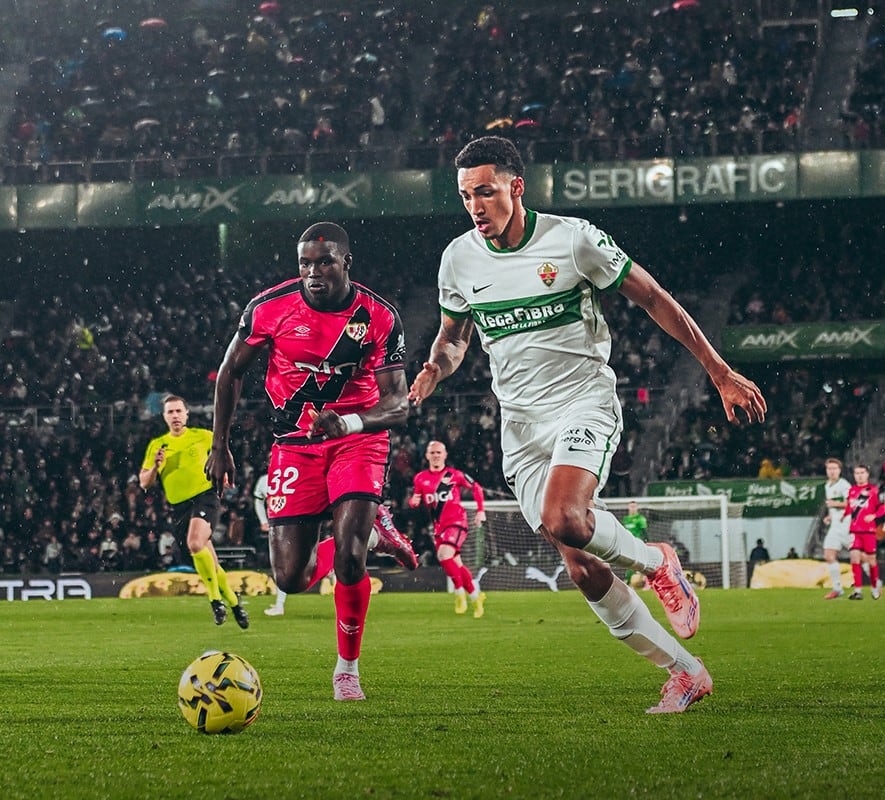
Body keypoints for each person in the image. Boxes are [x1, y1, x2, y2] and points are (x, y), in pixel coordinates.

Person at [408, 135, 767, 714]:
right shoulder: (459, 258)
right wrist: (433, 369)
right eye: (466, 196)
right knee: (580, 566)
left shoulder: (573, 240)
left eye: (486, 192)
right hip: (519, 427)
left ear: (516, 187)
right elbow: (453, 339)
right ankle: (685, 671)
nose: (475, 206)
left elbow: (654, 298)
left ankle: (657, 562)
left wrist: (719, 372)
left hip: (582, 402)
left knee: (566, 519)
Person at [205, 221, 418, 701]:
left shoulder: (379, 316)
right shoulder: (269, 307)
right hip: (294, 445)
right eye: (305, 263)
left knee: (349, 558)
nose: (313, 272)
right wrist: (220, 445)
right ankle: (377, 534)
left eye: (324, 262)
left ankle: (347, 670)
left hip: (357, 442)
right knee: (291, 578)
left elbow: (398, 404)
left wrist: (352, 422)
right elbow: (230, 371)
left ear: (346, 262)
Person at [140, 394, 250, 628]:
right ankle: (234, 602)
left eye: (179, 411)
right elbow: (144, 482)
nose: (175, 416)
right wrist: (156, 467)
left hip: (205, 497)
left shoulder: (203, 436)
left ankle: (215, 600)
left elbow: (223, 457)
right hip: (179, 507)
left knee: (195, 543)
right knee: (209, 559)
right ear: (164, 417)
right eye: (170, 412)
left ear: (186, 414)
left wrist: (225, 475)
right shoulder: (157, 445)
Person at [409, 439, 487, 617]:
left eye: (439, 452)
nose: (436, 456)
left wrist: (481, 511)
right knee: (456, 563)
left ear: (445, 455)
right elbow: (415, 499)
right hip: (439, 527)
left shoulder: (455, 475)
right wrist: (413, 502)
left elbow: (477, 488)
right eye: (433, 453)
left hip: (457, 522)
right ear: (427, 455)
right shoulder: (420, 478)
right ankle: (476, 598)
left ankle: (459, 593)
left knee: (443, 555)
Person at [842, 464, 884, 600]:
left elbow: (882, 507)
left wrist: (874, 515)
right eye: (857, 473)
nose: (859, 475)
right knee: (854, 558)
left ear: (867, 474)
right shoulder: (852, 491)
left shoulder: (874, 490)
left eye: (862, 473)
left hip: (869, 531)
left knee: (871, 560)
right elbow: (849, 508)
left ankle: (875, 587)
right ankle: (858, 591)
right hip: (854, 531)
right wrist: (841, 516)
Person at [821, 457, 852, 599]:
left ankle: (876, 583)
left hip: (846, 526)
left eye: (834, 468)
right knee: (828, 555)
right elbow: (832, 507)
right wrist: (829, 516)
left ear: (839, 470)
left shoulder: (844, 485)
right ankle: (837, 589)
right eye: (829, 469)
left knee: (860, 557)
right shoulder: (827, 485)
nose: (832, 471)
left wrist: (835, 504)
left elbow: (851, 503)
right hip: (835, 527)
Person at [621, 500, 648, 589]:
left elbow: (644, 532)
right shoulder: (625, 519)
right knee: (630, 563)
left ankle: (630, 581)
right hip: (628, 544)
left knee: (636, 563)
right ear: (628, 507)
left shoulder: (640, 519)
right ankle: (631, 581)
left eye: (634, 506)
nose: (632, 508)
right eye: (631, 506)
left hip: (638, 544)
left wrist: (646, 543)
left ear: (637, 508)